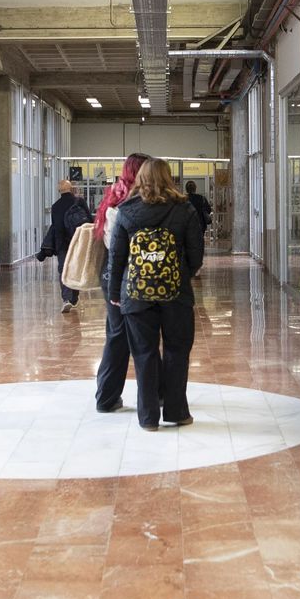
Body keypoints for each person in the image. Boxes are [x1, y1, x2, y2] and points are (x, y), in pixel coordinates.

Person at [107, 158, 205, 431]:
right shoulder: (184, 209)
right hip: (176, 294)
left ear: (141, 178)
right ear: (169, 177)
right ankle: (176, 411)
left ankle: (148, 417)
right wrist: (181, 273)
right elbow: (196, 254)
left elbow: (116, 257)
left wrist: (116, 292)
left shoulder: (126, 211)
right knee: (177, 350)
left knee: (143, 353)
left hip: (136, 294)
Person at [92, 152, 151, 413]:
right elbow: (118, 248)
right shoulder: (128, 204)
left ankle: (107, 397)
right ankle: (113, 397)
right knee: (130, 337)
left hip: (111, 275)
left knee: (116, 335)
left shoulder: (113, 197)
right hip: (124, 275)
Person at [37, 178, 90, 313]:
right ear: (71, 189)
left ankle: (66, 299)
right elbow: (89, 220)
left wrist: (54, 245)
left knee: (63, 270)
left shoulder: (55, 206)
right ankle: (74, 298)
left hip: (62, 243)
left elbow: (56, 227)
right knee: (76, 269)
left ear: (59, 190)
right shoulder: (79, 202)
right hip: (78, 241)